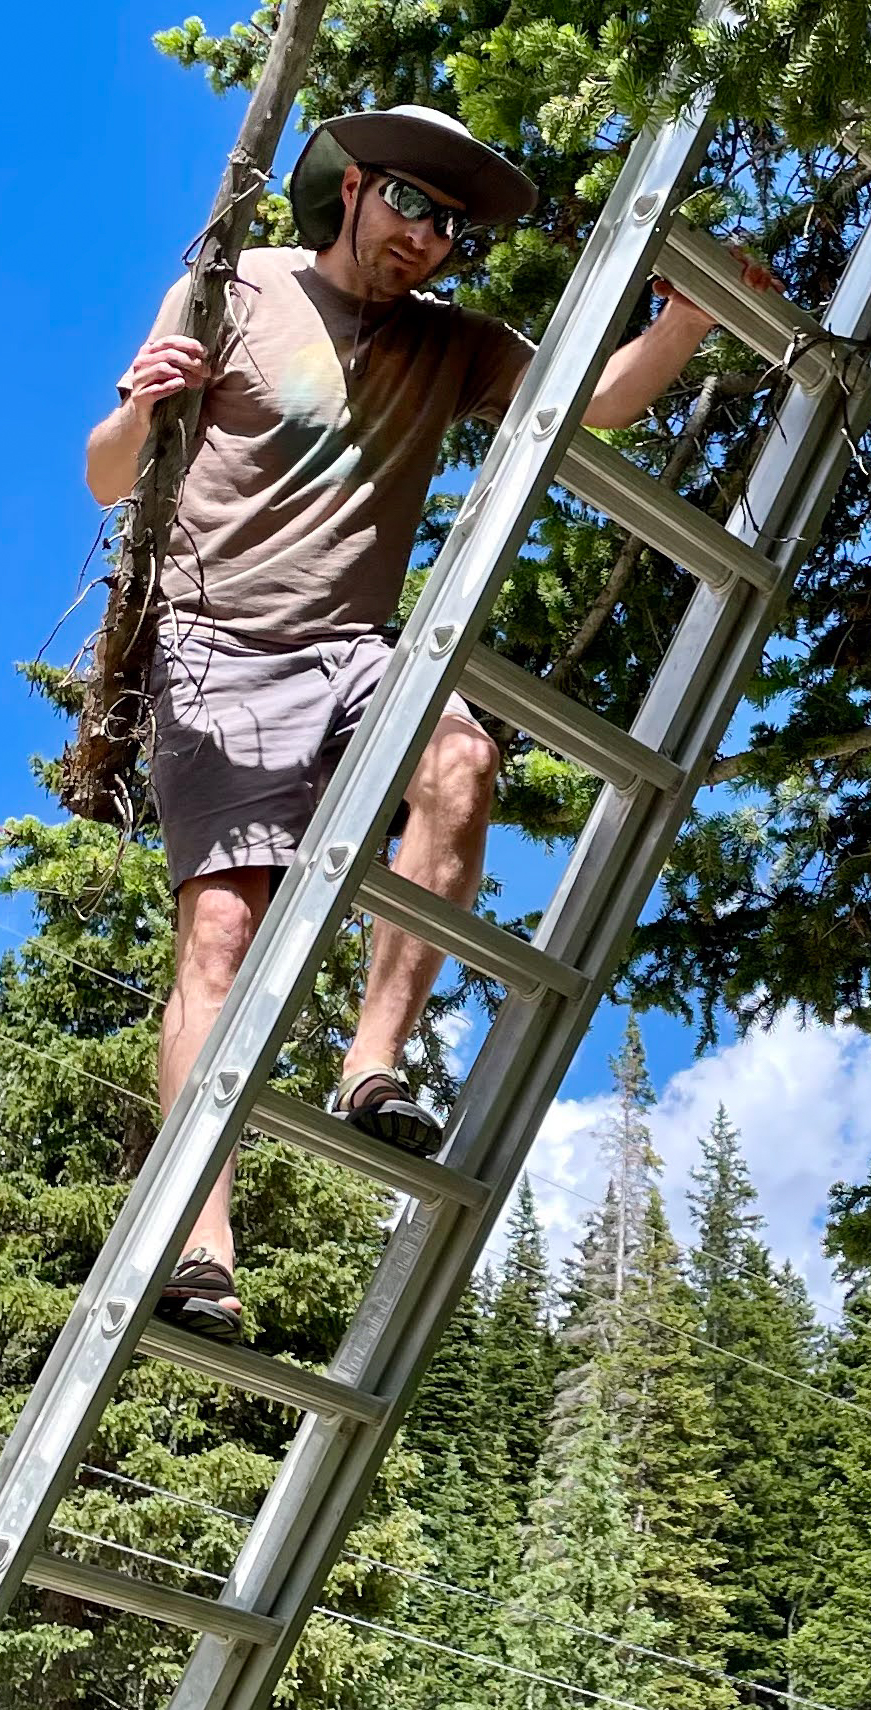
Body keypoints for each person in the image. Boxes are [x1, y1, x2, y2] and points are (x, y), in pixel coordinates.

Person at [85, 103, 723, 1341]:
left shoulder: (453, 344)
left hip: (355, 645)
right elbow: (110, 473)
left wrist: (685, 321)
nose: (428, 239)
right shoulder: (237, 287)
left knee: (463, 757)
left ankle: (373, 1057)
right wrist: (145, 407)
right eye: (412, 207)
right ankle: (198, 1241)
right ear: (357, 188)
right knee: (222, 932)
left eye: (451, 227)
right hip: (214, 648)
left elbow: (591, 400)